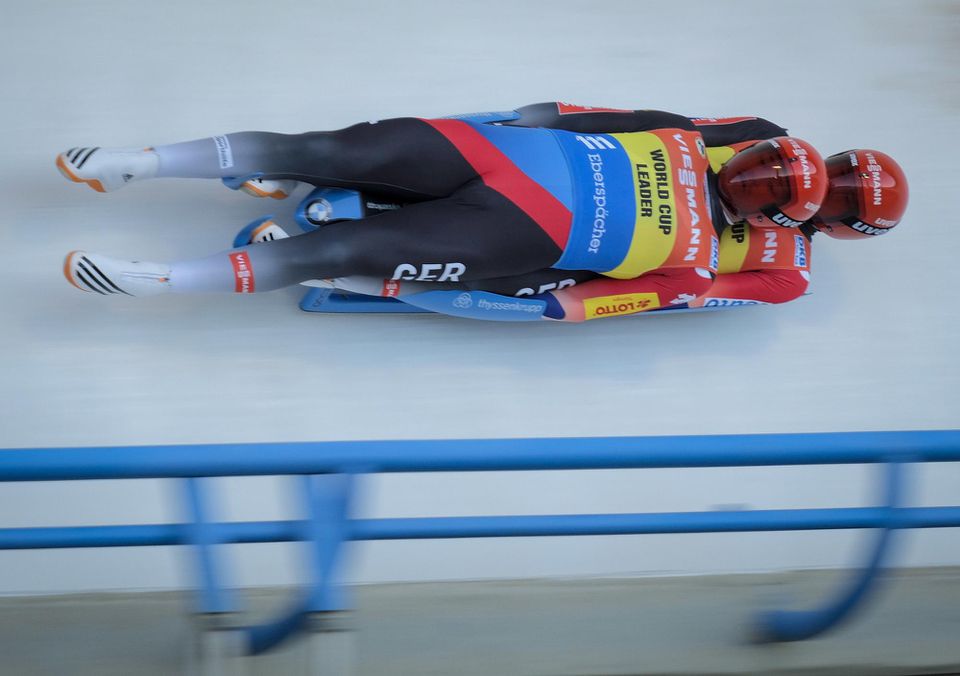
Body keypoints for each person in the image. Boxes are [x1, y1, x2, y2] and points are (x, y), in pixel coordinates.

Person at [57, 106, 829, 322]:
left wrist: (562, 305)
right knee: (329, 146)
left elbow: (667, 295)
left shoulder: (741, 261)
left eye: (764, 189)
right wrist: (509, 120)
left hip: (516, 234)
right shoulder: (705, 134)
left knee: (342, 253)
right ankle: (144, 162)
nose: (749, 178)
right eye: (755, 168)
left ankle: (157, 280)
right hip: (499, 156)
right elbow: (582, 115)